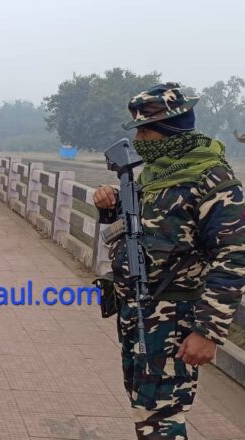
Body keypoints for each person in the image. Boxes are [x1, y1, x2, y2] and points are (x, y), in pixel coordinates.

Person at [93, 82, 245, 440]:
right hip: (138, 313)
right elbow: (145, 232)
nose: (140, 139)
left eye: (145, 130)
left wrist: (207, 331)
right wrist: (112, 206)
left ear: (171, 130)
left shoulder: (212, 181)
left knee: (161, 419)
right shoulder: (155, 175)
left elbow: (234, 258)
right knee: (145, 410)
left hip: (174, 319)